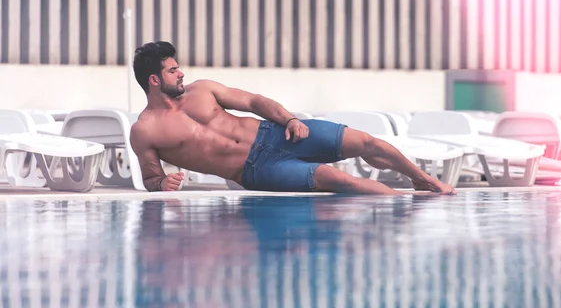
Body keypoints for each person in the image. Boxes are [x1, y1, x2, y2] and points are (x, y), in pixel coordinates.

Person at [129, 41, 456, 195]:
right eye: (173, 70)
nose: (181, 73)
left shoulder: (203, 90)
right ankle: (402, 204)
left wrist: (289, 121)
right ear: (154, 80)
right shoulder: (145, 130)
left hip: (276, 133)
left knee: (367, 142)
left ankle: (422, 180)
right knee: (336, 179)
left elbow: (254, 101)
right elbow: (150, 179)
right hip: (257, 170)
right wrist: (162, 183)